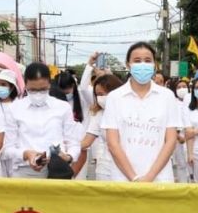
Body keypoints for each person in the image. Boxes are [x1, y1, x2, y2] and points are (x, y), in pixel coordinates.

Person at [101, 42, 181, 182]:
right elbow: (113, 143)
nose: (143, 64)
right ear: (128, 64)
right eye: (137, 61)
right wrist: (134, 177)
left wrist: (149, 177)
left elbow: (171, 140)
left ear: (155, 65)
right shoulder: (115, 97)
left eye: (148, 60)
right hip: (123, 178)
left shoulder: (167, 96)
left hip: (160, 178)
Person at [4, 63, 83, 179]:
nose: (38, 94)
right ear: (25, 85)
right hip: (24, 172)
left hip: (57, 172)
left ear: (49, 85)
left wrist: (68, 157)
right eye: (32, 90)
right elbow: (7, 149)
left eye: (42, 89)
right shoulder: (14, 109)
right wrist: (26, 154)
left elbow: (73, 143)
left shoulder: (62, 107)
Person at [80, 74, 123, 181]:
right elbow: (86, 141)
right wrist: (68, 148)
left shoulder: (129, 111)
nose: (101, 98)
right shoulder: (99, 114)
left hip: (128, 168)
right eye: (98, 95)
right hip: (105, 169)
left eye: (104, 94)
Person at [0, 69, 20, 177]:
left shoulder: (19, 106)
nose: (0, 87)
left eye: (3, 84)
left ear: (12, 87)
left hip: (16, 152)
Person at [171, 78, 190, 183]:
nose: (182, 89)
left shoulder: (192, 101)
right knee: (181, 164)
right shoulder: (173, 103)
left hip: (191, 137)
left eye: (184, 87)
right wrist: (178, 137)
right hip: (178, 137)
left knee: (192, 164)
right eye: (179, 87)